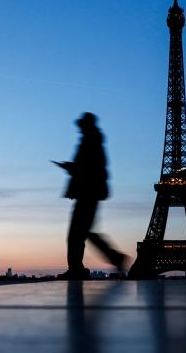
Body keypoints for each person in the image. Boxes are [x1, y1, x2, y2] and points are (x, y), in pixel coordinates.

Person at [53, 112, 127, 280]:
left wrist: (72, 169)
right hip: (89, 193)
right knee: (84, 232)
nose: (79, 128)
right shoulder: (93, 140)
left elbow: (88, 169)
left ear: (86, 125)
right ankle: (113, 258)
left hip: (87, 193)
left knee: (76, 234)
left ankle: (77, 269)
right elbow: (92, 168)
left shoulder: (90, 141)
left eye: (81, 125)